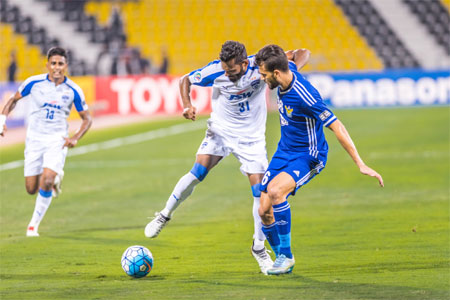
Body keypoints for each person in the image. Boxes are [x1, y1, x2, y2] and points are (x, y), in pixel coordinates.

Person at [144, 41, 310, 275]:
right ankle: (164, 215)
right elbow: (185, 80)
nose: (226, 73)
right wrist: (187, 105)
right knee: (197, 173)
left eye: (231, 70)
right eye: (224, 69)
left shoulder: (260, 64)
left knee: (260, 194)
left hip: (251, 138)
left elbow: (302, 52)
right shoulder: (215, 71)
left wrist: (295, 70)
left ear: (244, 63)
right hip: (221, 130)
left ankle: (259, 248)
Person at [254, 44, 384, 275]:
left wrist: (360, 163)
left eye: (264, 75)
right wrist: (287, 56)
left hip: (308, 155)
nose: (262, 80)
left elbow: (338, 127)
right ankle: (281, 261)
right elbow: (302, 52)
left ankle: (286, 256)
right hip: (284, 151)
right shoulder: (286, 69)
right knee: (263, 210)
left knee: (275, 192)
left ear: (275, 73)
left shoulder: (306, 96)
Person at [0, 47, 92, 237]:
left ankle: (33, 225)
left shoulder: (73, 89)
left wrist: (75, 137)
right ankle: (55, 178)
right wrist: (2, 120)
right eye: (53, 63)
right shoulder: (34, 83)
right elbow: (13, 100)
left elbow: (87, 118)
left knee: (47, 180)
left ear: (66, 66)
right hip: (34, 139)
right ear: (47, 65)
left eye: (60, 64)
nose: (57, 67)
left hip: (56, 140)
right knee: (31, 189)